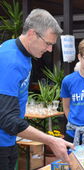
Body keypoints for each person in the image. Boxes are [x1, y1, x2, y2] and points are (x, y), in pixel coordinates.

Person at [0, 9, 74, 169]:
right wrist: (51, 140)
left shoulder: (20, 53)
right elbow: (6, 119)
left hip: (9, 140)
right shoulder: (10, 60)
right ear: (32, 34)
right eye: (48, 43)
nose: (49, 50)